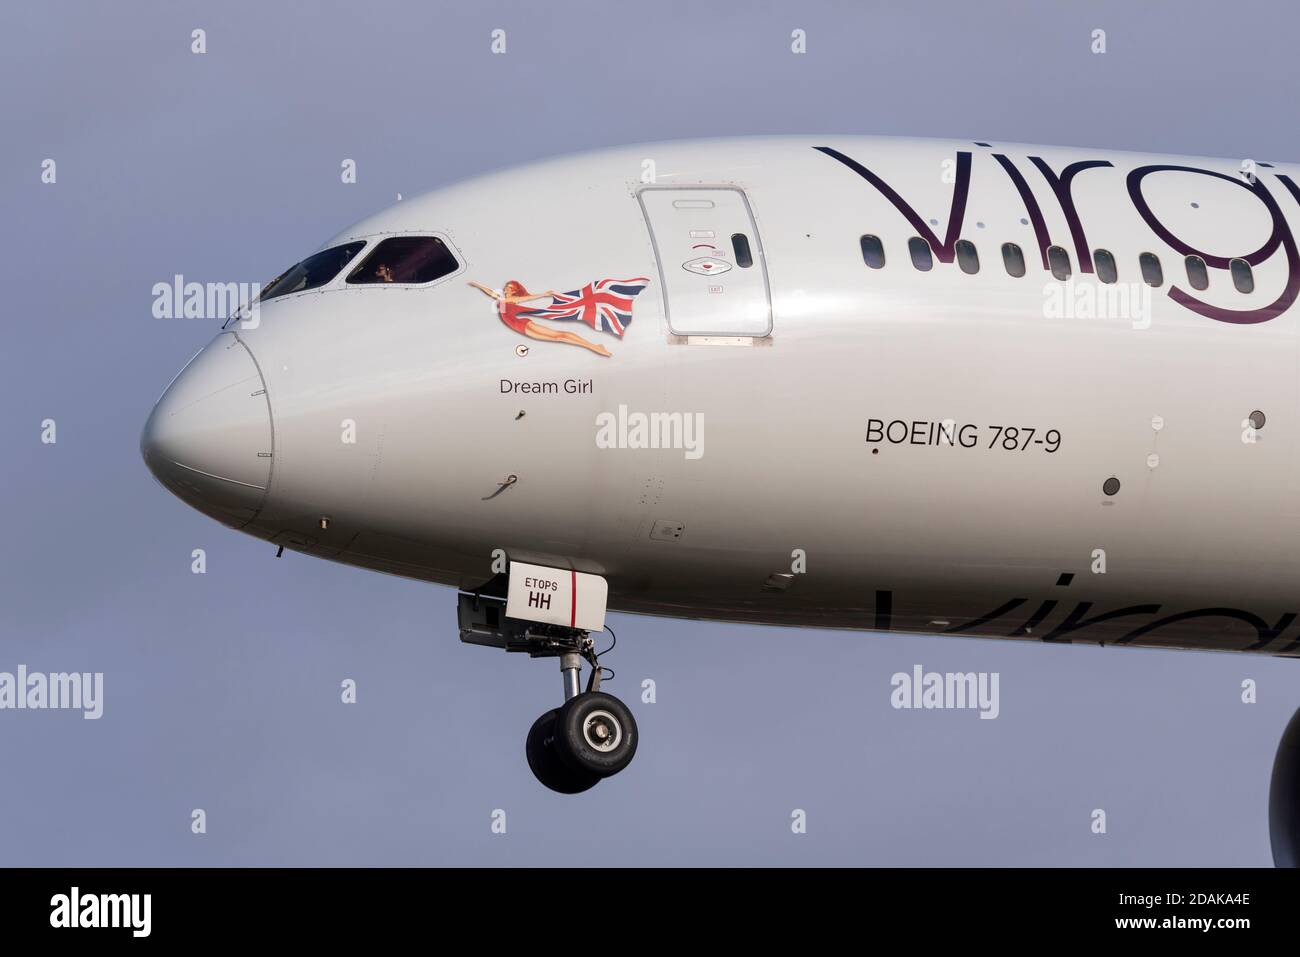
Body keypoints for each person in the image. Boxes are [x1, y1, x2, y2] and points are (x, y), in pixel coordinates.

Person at [468, 279, 612, 357]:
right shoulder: (501, 299)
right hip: (520, 327)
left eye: (509, 287)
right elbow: (489, 292)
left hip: (523, 324)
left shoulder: (512, 300)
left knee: (559, 335)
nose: (505, 288)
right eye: (506, 286)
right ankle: (594, 347)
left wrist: (543, 294)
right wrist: (476, 284)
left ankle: (594, 347)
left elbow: (529, 297)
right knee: (558, 338)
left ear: (513, 291)